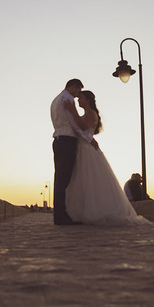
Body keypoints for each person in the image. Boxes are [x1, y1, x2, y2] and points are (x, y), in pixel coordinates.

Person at [64, 91, 150, 226]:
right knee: (82, 181)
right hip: (82, 149)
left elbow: (83, 126)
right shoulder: (85, 114)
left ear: (87, 100)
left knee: (91, 180)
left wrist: (72, 110)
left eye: (80, 98)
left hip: (88, 151)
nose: (78, 100)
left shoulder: (91, 114)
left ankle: (95, 211)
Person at [50, 79, 98, 225]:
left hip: (58, 139)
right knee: (64, 180)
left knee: (60, 179)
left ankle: (60, 214)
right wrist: (88, 138)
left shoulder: (56, 99)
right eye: (78, 92)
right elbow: (76, 125)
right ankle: (61, 216)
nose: (77, 97)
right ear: (73, 87)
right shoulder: (67, 99)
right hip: (66, 141)